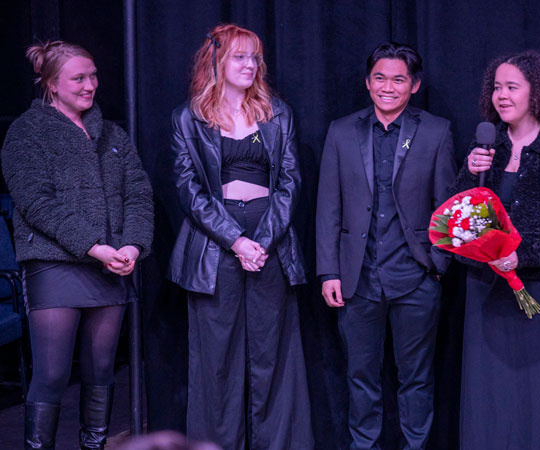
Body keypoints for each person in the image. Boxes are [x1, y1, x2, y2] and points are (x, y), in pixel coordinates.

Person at [1, 41, 154, 450]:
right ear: (51, 84)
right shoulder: (27, 132)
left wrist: (133, 246)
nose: (90, 85)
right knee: (51, 374)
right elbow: (36, 202)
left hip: (110, 264)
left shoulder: (113, 134)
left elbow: (139, 195)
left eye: (93, 76)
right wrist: (94, 246)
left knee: (102, 370)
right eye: (79, 78)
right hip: (55, 264)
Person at [166, 24, 312, 450]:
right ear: (217, 61)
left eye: (255, 58)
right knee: (217, 361)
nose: (250, 65)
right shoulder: (188, 117)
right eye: (240, 57)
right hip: (215, 245)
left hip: (271, 240)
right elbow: (189, 192)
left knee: (273, 355)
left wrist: (262, 241)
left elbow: (290, 182)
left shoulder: (278, 112)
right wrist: (236, 240)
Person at [315, 41, 457, 450]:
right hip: (357, 278)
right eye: (380, 77)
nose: (388, 86)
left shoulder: (436, 131)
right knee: (361, 378)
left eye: (398, 79)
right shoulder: (342, 131)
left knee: (416, 379)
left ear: (414, 86)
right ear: (367, 82)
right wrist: (329, 271)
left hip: (415, 278)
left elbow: (446, 205)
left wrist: (437, 267)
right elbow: (328, 207)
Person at [455, 49, 540, 449]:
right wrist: (469, 171)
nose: (501, 95)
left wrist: (523, 253)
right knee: (491, 398)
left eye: (512, 87)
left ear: (538, 92)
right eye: (497, 87)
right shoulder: (486, 146)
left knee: (539, 396)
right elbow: (459, 213)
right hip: (487, 289)